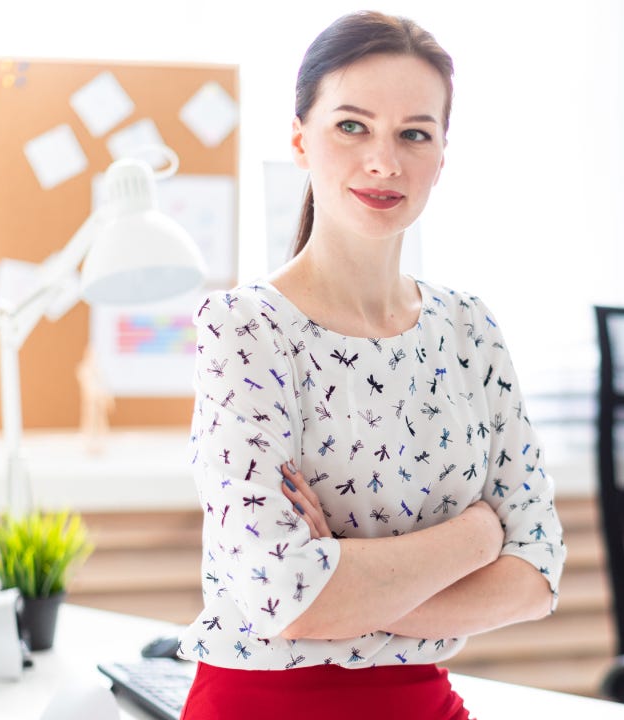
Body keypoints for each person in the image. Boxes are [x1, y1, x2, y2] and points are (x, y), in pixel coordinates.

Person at [177, 11, 566, 719]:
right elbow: (285, 595)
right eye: (351, 126)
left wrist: (352, 581)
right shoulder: (245, 330)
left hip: (423, 703)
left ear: (442, 157)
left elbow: (537, 575)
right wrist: (476, 536)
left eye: (414, 134)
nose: (384, 161)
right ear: (300, 138)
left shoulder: (469, 328)